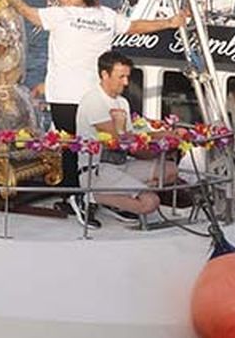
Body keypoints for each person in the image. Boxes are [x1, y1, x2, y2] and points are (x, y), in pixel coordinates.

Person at [0, 0, 185, 203]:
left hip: (65, 95)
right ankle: (93, 192)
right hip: (95, 96)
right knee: (94, 146)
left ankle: (75, 197)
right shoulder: (106, 16)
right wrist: (169, 23)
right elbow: (134, 26)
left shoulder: (62, 15)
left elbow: (28, 13)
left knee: (70, 147)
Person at [75, 51, 177, 222]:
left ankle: (118, 198)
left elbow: (130, 137)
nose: (126, 82)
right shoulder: (93, 100)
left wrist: (166, 136)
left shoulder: (122, 102)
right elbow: (117, 140)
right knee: (150, 203)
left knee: (170, 170)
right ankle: (88, 196)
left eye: (127, 77)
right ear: (104, 75)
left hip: (122, 164)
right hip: (98, 169)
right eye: (121, 77)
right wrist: (156, 140)